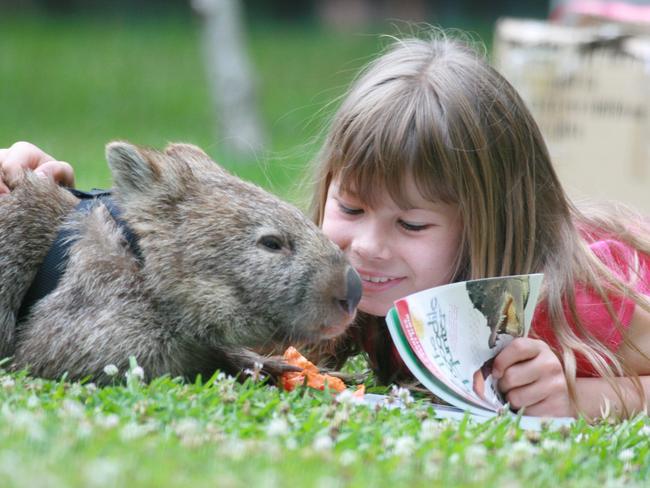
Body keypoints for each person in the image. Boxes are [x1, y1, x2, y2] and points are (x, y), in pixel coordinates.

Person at [3, 32, 650, 420]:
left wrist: (591, 398)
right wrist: (37, 192)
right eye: (351, 208)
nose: (366, 246)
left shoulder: (586, 297)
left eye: (414, 224)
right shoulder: (357, 289)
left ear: (490, 225)